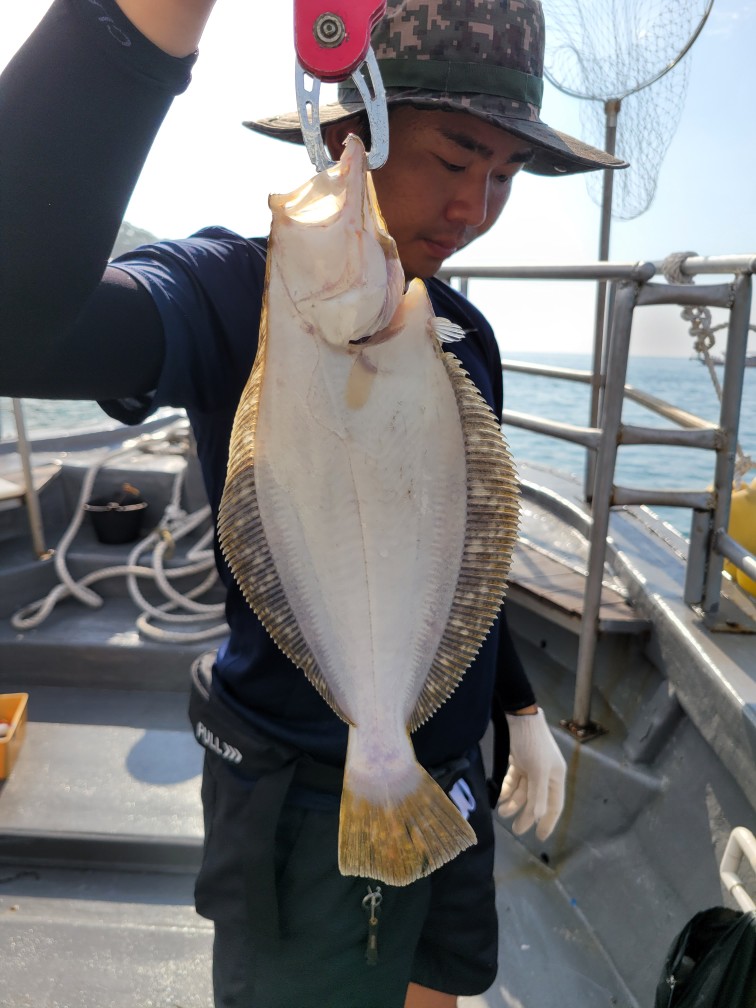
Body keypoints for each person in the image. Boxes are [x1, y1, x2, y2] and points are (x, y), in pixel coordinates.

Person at [0, 1, 625, 1005]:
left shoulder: (463, 336)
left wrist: (517, 705)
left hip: (452, 774)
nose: (475, 207)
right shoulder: (234, 291)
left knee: (437, 991)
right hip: (304, 798)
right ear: (347, 137)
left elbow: (455, 551)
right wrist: (138, 25)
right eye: (454, 157)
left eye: (506, 175)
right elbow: (16, 320)